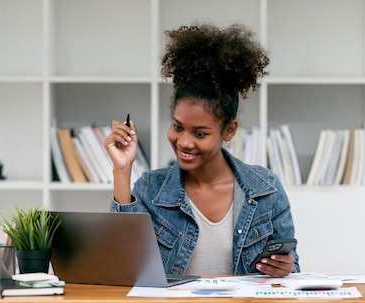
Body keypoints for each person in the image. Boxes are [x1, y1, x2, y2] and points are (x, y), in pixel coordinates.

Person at [104, 23, 300, 278]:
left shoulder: (267, 190)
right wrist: (122, 170)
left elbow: (293, 270)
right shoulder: (150, 190)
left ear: (228, 131)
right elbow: (124, 269)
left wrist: (285, 269)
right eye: (177, 126)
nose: (184, 142)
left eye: (200, 133)